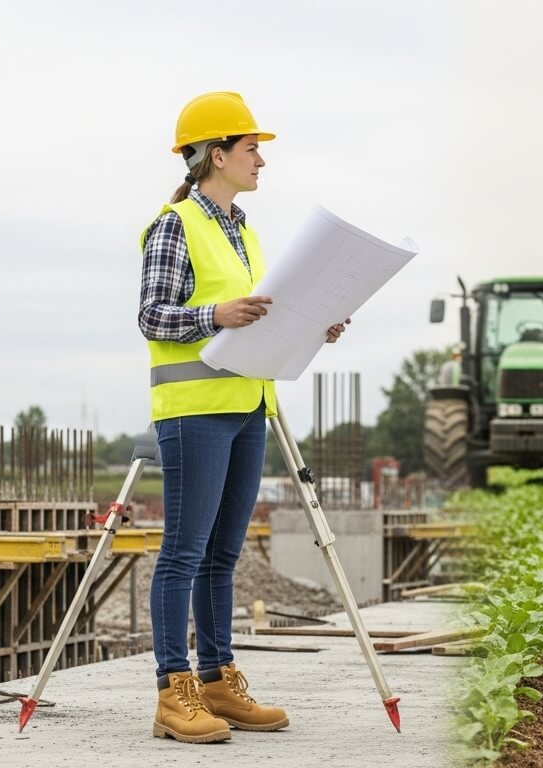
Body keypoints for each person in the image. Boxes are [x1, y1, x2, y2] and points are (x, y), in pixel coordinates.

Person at [138, 91, 350, 743]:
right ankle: (172, 693)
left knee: (224, 554)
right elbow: (152, 315)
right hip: (195, 412)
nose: (261, 160)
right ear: (216, 154)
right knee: (184, 552)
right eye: (252, 148)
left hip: (249, 407)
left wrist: (314, 326)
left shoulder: (245, 231)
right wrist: (215, 315)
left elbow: (260, 317)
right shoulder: (175, 225)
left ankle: (216, 682)